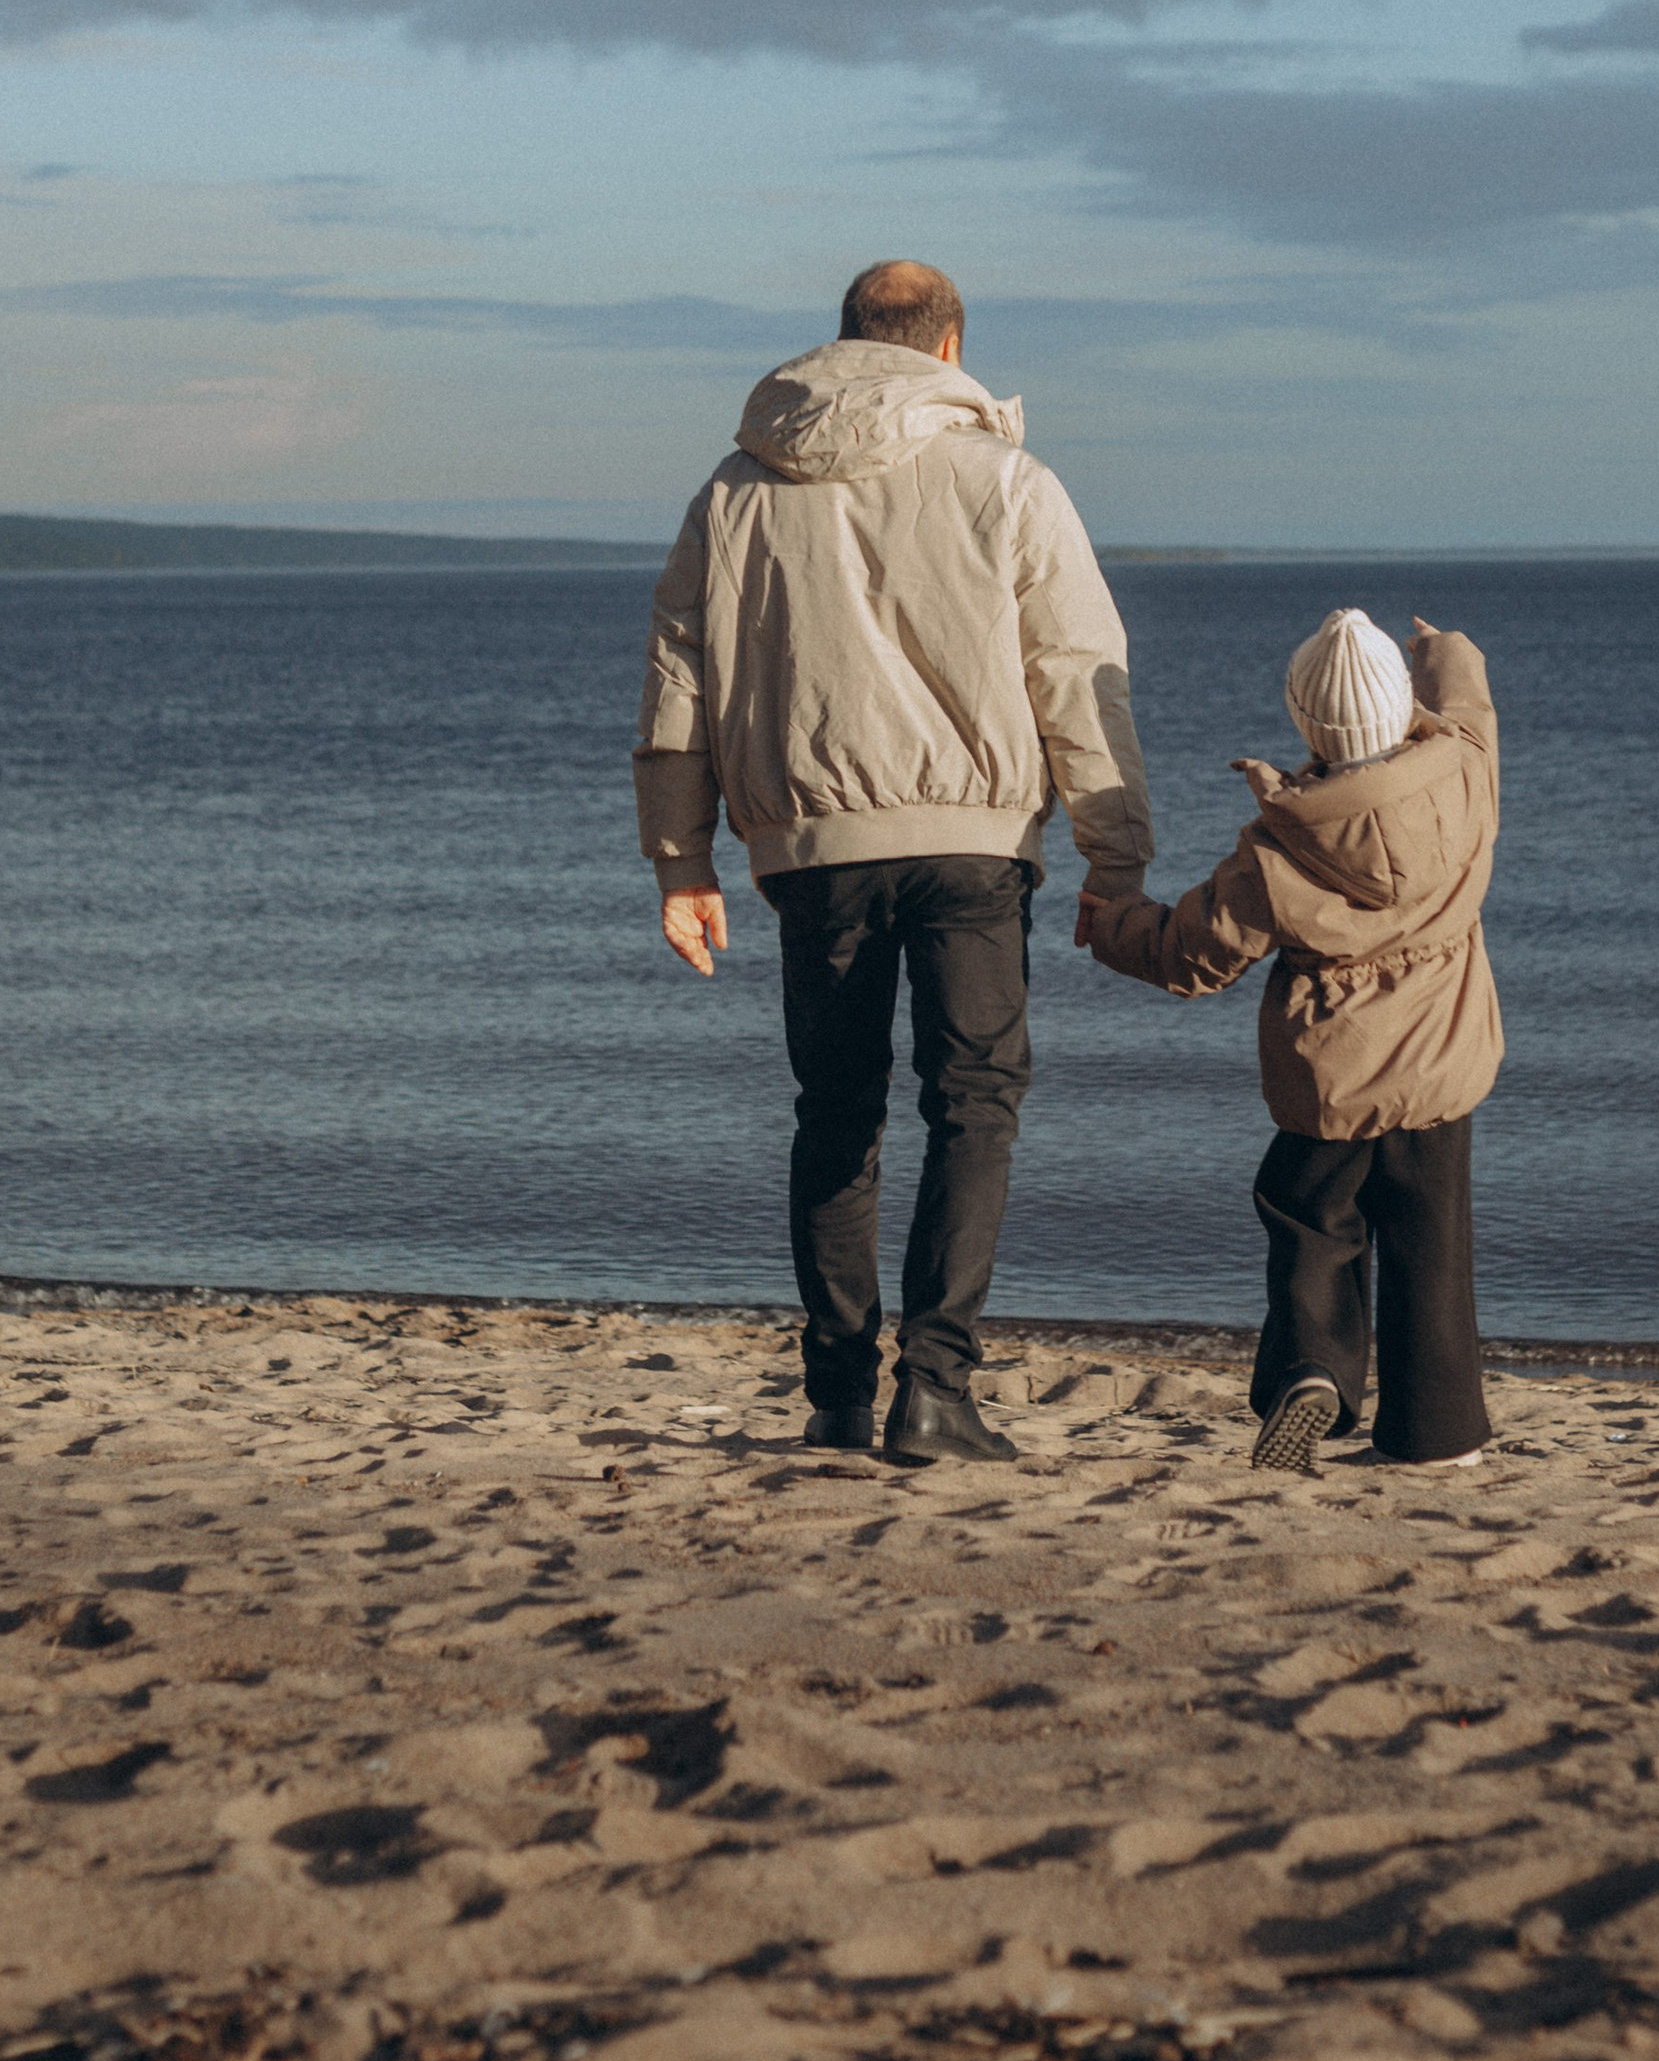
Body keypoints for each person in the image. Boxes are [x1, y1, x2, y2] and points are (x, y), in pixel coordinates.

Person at [634, 259, 1154, 1465]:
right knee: (973, 1105)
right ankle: (935, 1389)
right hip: (973, 845)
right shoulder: (1010, 480)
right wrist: (1112, 857)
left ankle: (833, 1393)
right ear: (950, 351)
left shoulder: (732, 492)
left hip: (813, 847)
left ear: (840, 345)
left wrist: (681, 861)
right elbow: (1077, 673)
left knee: (838, 1112)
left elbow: (680, 679)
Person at [1076, 605, 1501, 1477]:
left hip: (1331, 1088)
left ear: (1305, 723)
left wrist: (1113, 926)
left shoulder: (1281, 847)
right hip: (1440, 1074)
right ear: (1404, 707)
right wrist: (1443, 650)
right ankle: (1437, 1432)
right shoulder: (1465, 771)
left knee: (1309, 1222)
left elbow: (1193, 953)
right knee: (1433, 1243)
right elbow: (1473, 704)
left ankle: (1314, 1369)